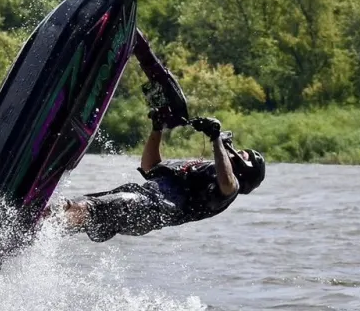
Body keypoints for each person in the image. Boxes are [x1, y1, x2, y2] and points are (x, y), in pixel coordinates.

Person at [60, 31, 266, 242]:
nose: (241, 152)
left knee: (85, 208)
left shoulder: (229, 190)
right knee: (80, 209)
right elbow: (151, 168)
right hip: (138, 197)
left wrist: (216, 139)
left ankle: (46, 216)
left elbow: (227, 182)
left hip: (150, 209)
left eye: (246, 155)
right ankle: (33, 229)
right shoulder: (201, 169)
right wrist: (156, 128)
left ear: (246, 171)